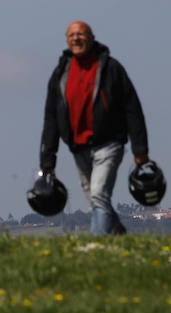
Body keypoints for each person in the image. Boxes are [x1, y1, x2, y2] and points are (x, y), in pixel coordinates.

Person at [40, 20, 151, 235]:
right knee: (96, 198)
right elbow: (51, 117)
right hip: (78, 147)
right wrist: (47, 161)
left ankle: (96, 246)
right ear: (66, 40)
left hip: (108, 143)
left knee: (99, 194)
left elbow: (132, 109)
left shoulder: (111, 68)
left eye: (81, 34)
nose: (76, 38)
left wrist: (140, 150)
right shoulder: (60, 73)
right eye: (71, 35)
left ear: (91, 38)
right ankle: (117, 232)